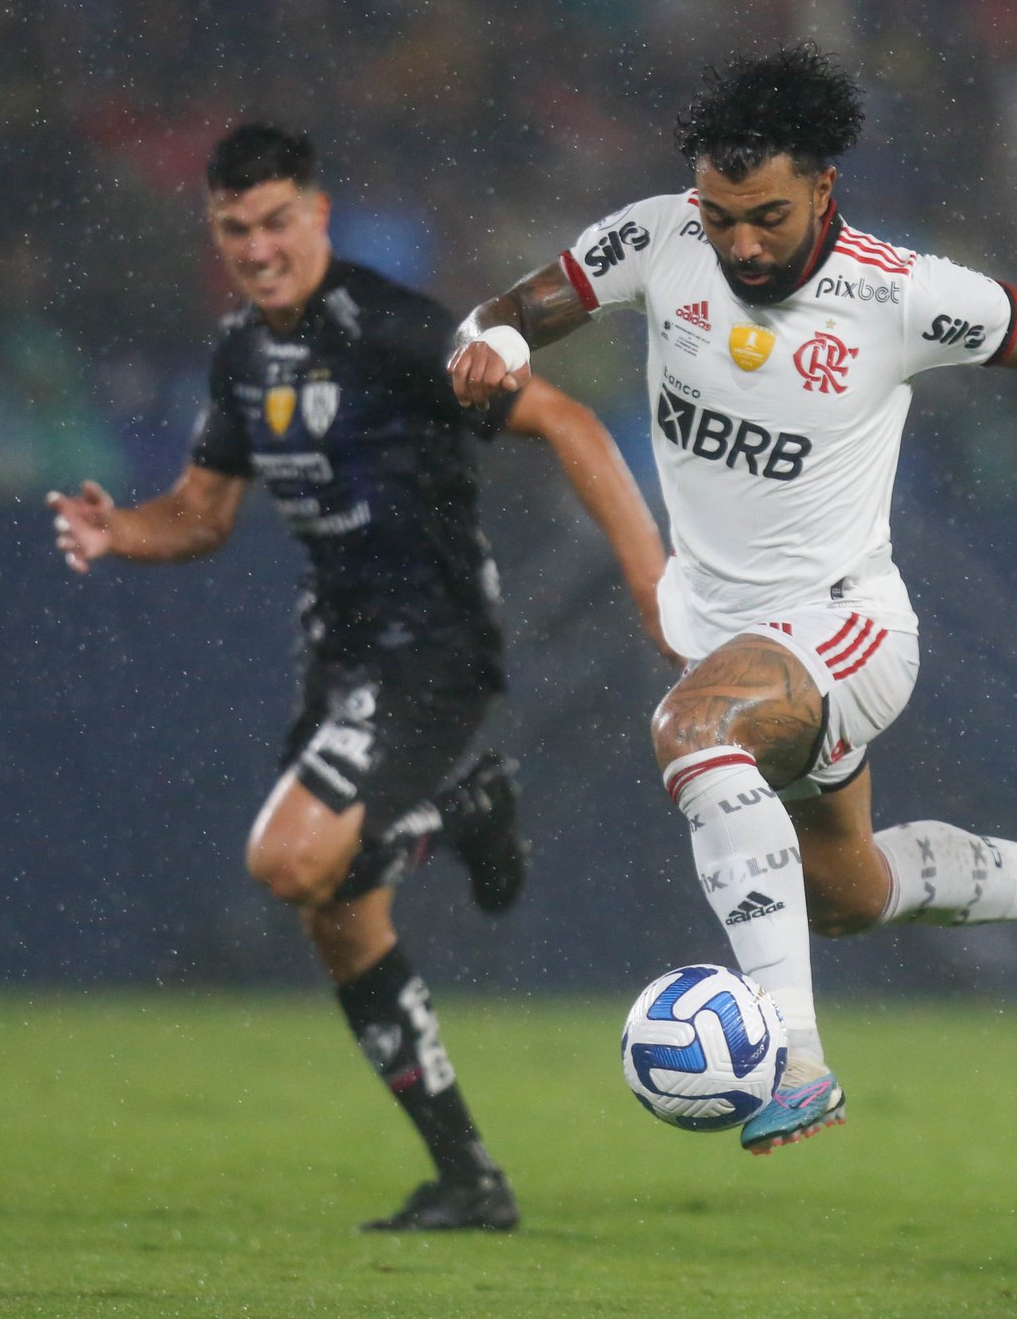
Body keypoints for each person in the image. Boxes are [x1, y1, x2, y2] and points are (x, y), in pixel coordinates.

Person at [449, 46, 1017, 1156]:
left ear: (823, 185)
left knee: (689, 730)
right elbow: (511, 310)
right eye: (720, 218)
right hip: (719, 634)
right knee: (846, 894)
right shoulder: (655, 237)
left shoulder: (896, 293)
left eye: (764, 215)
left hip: (843, 625)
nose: (738, 243)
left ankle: (794, 1061)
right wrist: (486, 346)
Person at [48, 123, 667, 1229]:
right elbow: (198, 516)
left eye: (277, 221)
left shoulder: (390, 332)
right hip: (338, 655)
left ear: (318, 217)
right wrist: (118, 533)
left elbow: (566, 420)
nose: (258, 247)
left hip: (428, 647)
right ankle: (469, 1177)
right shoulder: (242, 353)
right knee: (338, 916)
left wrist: (651, 581)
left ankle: (469, 803)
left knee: (285, 858)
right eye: (235, 229)